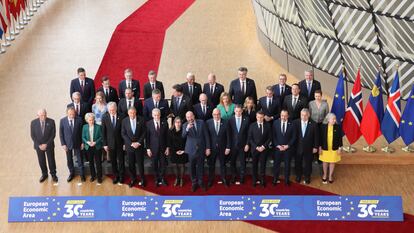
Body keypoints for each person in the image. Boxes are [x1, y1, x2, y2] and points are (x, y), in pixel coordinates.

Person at [182, 111, 210, 192]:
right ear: (186, 118)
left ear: (194, 116)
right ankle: (194, 182)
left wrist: (208, 148)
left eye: (191, 116)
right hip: (191, 150)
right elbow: (183, 136)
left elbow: (206, 135)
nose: (190, 118)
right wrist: (187, 128)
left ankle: (201, 182)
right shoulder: (185, 125)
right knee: (192, 167)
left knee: (201, 166)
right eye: (188, 117)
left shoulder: (201, 122)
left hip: (201, 148)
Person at [30, 109, 58, 183]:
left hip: (49, 145)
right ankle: (44, 174)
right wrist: (39, 145)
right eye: (42, 115)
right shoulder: (33, 123)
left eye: (45, 115)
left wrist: (46, 144)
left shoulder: (51, 121)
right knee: (41, 161)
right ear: (38, 116)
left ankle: (53, 174)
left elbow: (53, 134)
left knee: (51, 160)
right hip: (38, 146)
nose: (44, 117)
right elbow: (33, 136)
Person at [121, 107, 146, 187]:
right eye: (130, 113)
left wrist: (138, 142)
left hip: (139, 146)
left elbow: (144, 132)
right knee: (131, 164)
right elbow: (123, 134)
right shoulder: (124, 121)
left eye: (134, 113)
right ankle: (133, 179)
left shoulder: (141, 120)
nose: (132, 114)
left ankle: (142, 179)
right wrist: (131, 143)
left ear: (136, 112)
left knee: (140, 164)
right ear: (128, 113)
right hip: (130, 146)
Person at [206, 108, 231, 187]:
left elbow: (229, 136)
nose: (216, 116)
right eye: (215, 114)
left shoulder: (226, 122)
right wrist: (207, 148)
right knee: (211, 165)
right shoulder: (208, 122)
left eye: (218, 114)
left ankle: (224, 179)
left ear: (220, 114)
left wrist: (228, 147)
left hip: (223, 148)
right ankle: (210, 179)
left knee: (223, 164)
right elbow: (207, 137)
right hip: (211, 148)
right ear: (212, 115)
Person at [59, 107, 85, 183]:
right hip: (67, 144)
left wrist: (82, 142)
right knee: (69, 160)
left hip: (78, 143)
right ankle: (71, 173)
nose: (72, 115)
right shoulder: (62, 121)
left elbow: (82, 132)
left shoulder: (79, 120)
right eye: (70, 114)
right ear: (67, 113)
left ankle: (82, 175)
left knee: (80, 160)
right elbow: (61, 133)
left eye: (73, 114)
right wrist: (63, 144)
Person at [293, 108, 319, 184]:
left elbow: (316, 137)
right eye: (302, 115)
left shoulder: (314, 124)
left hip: (309, 148)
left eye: (305, 115)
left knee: (308, 163)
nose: (303, 117)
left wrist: (315, 147)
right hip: (298, 147)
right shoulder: (295, 123)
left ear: (309, 115)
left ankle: (307, 176)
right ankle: (298, 176)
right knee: (298, 162)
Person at [101, 102, 125, 184]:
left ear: (116, 109)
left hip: (120, 143)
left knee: (121, 161)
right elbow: (103, 132)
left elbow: (124, 131)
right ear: (108, 110)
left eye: (113, 110)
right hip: (110, 144)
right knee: (113, 161)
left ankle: (122, 176)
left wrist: (125, 143)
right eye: (110, 110)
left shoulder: (122, 116)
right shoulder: (105, 117)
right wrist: (105, 144)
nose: (112, 111)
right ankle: (116, 176)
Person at [146, 108, 169, 187]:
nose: (156, 116)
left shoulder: (165, 122)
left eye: (158, 115)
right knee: (154, 164)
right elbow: (147, 137)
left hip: (163, 148)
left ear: (160, 115)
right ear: (152, 115)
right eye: (155, 115)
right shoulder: (148, 124)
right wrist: (148, 149)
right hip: (153, 149)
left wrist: (167, 147)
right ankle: (156, 179)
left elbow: (167, 136)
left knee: (163, 164)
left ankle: (162, 178)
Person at [272, 109, 295, 186]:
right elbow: (273, 136)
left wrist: (288, 146)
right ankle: (275, 178)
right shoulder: (275, 123)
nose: (283, 117)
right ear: (280, 115)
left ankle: (286, 179)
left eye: (285, 116)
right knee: (276, 164)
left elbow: (294, 137)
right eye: (282, 115)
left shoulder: (292, 124)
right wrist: (277, 145)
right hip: (278, 148)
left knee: (287, 165)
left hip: (287, 149)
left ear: (288, 116)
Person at [247, 111, 271, 187]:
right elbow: (250, 138)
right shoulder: (252, 125)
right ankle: (254, 180)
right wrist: (256, 147)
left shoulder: (268, 125)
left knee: (263, 165)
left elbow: (270, 138)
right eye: (258, 117)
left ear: (263, 117)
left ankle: (262, 180)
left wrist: (263, 147)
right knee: (254, 165)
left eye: (261, 117)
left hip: (264, 149)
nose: (260, 119)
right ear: (256, 117)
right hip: (255, 149)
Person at [227, 105, 250, 184]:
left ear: (242, 111)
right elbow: (228, 134)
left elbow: (248, 133)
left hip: (243, 145)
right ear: (234, 111)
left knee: (243, 162)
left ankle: (242, 177)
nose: (238, 113)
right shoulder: (230, 119)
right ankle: (234, 176)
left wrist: (247, 144)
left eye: (240, 111)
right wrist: (228, 146)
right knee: (232, 162)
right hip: (233, 145)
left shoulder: (246, 119)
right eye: (236, 111)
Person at [319, 113, 342, 184]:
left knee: (332, 162)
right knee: (325, 162)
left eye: (335, 119)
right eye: (333, 119)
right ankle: (325, 175)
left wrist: (340, 148)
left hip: (334, 148)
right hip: (325, 148)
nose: (335, 120)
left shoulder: (337, 127)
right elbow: (320, 138)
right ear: (328, 120)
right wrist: (319, 147)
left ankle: (330, 176)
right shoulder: (323, 127)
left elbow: (340, 139)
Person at [82, 113, 103, 184]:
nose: (91, 121)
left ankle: (99, 177)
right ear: (87, 120)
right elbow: (83, 137)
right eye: (90, 120)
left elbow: (101, 137)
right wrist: (87, 142)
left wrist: (95, 142)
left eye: (92, 120)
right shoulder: (84, 127)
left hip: (97, 147)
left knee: (98, 162)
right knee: (91, 162)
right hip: (88, 147)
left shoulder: (98, 127)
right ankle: (93, 176)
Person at [308, 90, 329, 163]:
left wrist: (324, 124)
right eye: (316, 96)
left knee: (320, 140)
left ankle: (319, 157)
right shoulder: (311, 103)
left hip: (322, 124)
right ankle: (313, 156)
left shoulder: (325, 104)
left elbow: (327, 115)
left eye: (319, 96)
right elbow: (309, 114)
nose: (317, 97)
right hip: (313, 124)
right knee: (313, 139)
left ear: (321, 96)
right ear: (314, 96)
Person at [168, 117, 188, 187]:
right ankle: (177, 178)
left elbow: (186, 141)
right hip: (174, 151)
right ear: (174, 123)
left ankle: (182, 179)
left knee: (182, 165)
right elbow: (169, 142)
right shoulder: (170, 131)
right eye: (176, 122)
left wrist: (183, 150)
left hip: (183, 151)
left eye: (179, 122)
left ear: (181, 123)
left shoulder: (184, 130)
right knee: (175, 165)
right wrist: (175, 151)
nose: (178, 124)